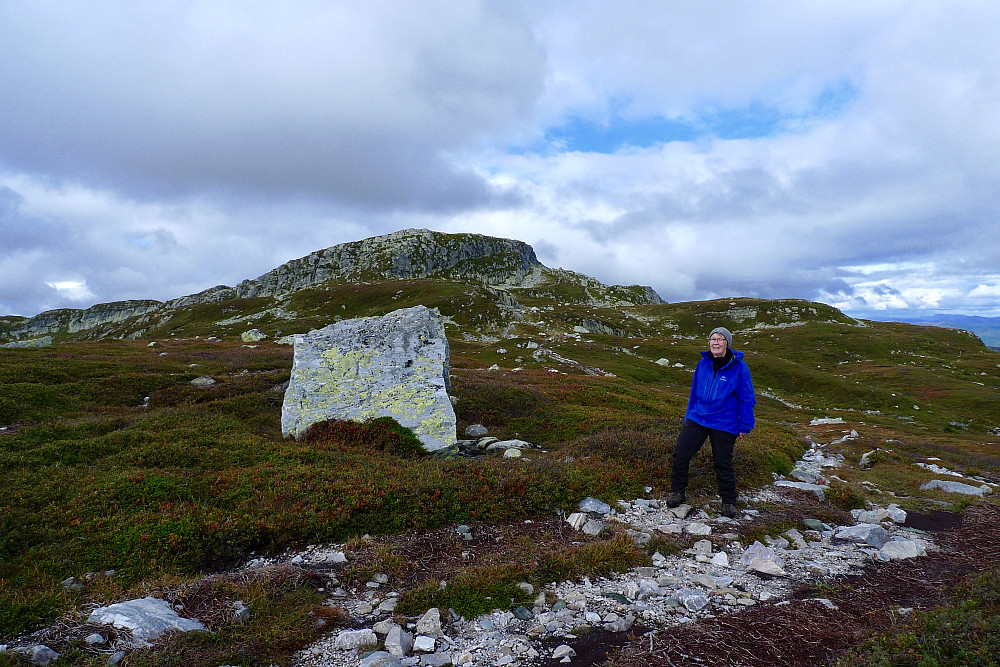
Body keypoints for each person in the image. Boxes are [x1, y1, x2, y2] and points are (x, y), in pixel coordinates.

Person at [667, 326, 755, 519]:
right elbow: (694, 391)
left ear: (727, 344)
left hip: (724, 421)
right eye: (712, 339)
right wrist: (688, 415)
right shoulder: (703, 363)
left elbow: (747, 398)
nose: (715, 342)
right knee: (680, 453)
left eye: (720, 339)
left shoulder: (739, 367)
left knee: (723, 462)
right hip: (698, 417)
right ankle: (677, 492)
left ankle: (729, 502)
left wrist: (745, 425)